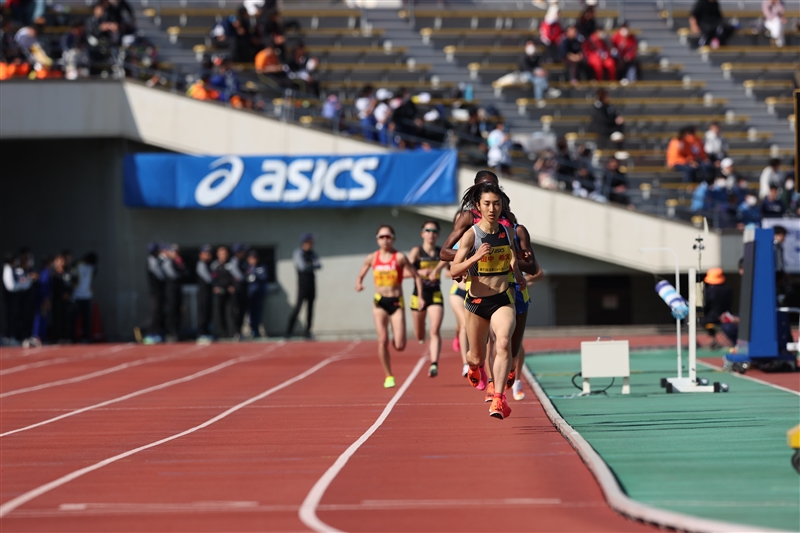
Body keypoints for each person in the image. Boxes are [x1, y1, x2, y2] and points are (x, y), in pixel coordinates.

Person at [450, 180, 525, 419]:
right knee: (476, 355)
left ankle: (499, 399)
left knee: (503, 342)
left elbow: (511, 258)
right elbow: (454, 270)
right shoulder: (471, 236)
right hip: (477, 303)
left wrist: (518, 275)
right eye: (487, 204)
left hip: (503, 299)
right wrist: (475, 258)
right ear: (478, 206)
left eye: (496, 204)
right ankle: (474, 366)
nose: (492, 209)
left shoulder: (508, 232)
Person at [355, 225, 424, 388]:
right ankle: (388, 375)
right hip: (380, 302)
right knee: (382, 340)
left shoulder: (399, 257)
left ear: (393, 239)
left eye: (388, 237)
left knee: (399, 345)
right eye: (381, 237)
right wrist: (358, 283)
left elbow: (416, 276)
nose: (385, 240)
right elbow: (361, 274)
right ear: (377, 239)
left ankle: (396, 333)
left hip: (396, 302)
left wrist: (420, 297)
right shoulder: (372, 258)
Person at [408, 221, 446, 377]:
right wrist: (420, 271)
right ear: (422, 233)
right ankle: (421, 331)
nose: (431, 233)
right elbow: (406, 270)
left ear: (437, 234)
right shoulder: (417, 251)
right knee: (420, 335)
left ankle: (434, 364)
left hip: (435, 293)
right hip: (419, 294)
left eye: (434, 231)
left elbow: (450, 267)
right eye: (427, 230)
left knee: (435, 329)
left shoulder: (440, 252)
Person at [286, 232, 321, 338]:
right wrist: (311, 265)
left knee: (310, 309)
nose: (312, 243)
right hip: (303, 285)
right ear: (305, 242)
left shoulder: (312, 253)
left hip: (312, 284)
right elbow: (302, 267)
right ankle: (289, 332)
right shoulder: (298, 253)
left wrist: (310, 265)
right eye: (310, 241)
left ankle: (307, 332)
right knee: (298, 308)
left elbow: (319, 265)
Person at [700, 267, 732, 350]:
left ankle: (713, 339)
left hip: (710, 318)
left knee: (702, 320)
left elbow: (705, 305)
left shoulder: (709, 291)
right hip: (725, 317)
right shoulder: (728, 289)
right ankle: (716, 340)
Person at [211, 245, 236, 339]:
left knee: (231, 312)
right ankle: (223, 332)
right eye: (221, 253)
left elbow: (236, 276)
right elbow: (212, 279)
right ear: (218, 254)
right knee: (220, 312)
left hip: (229, 292)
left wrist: (233, 286)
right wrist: (215, 287)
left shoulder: (231, 264)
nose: (223, 255)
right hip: (220, 292)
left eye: (225, 253)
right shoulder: (215, 265)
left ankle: (232, 332)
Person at [161, 244, 185, 342]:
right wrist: (180, 269)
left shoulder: (178, 262)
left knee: (178, 311)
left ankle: (176, 332)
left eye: (177, 252)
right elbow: (173, 275)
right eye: (174, 252)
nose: (176, 254)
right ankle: (170, 332)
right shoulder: (167, 262)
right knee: (171, 311)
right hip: (170, 290)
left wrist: (180, 266)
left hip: (177, 289)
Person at [73, 252, 98, 343]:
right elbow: (72, 268)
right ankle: (73, 337)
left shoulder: (92, 267)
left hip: (87, 295)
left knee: (86, 318)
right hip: (77, 295)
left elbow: (94, 272)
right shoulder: (78, 264)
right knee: (74, 318)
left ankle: (86, 337)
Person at [50, 253, 74, 343]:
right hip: (57, 299)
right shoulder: (52, 273)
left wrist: (68, 293)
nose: (62, 262)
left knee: (67, 319)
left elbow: (71, 284)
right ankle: (57, 338)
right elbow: (52, 287)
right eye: (60, 260)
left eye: (63, 260)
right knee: (57, 319)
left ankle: (66, 337)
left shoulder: (68, 272)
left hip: (67, 300)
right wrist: (61, 294)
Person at [245, 250, 268, 338]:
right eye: (251, 258)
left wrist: (254, 274)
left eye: (255, 258)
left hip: (259, 293)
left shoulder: (261, 267)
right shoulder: (246, 267)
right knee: (249, 313)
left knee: (257, 312)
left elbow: (264, 277)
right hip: (249, 294)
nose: (253, 260)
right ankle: (251, 329)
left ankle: (256, 329)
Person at [195, 244, 214, 343]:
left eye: (209, 253)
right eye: (206, 253)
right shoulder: (201, 264)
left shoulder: (208, 264)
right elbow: (208, 279)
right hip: (203, 293)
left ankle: (206, 332)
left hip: (208, 293)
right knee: (203, 312)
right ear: (201, 254)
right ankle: (201, 333)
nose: (208, 255)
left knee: (207, 312)